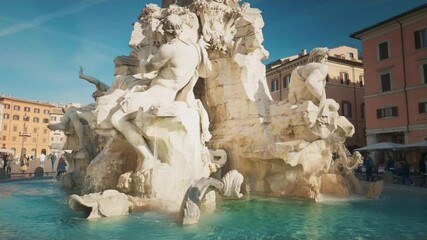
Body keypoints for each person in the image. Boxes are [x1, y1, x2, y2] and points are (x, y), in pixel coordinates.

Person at [107, 14, 211, 173]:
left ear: (166, 31)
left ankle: (147, 156)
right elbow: (205, 72)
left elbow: (147, 68)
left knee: (116, 119)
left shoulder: (168, 48)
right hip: (171, 94)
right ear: (181, 29)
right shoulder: (196, 50)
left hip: (155, 94)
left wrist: (143, 58)